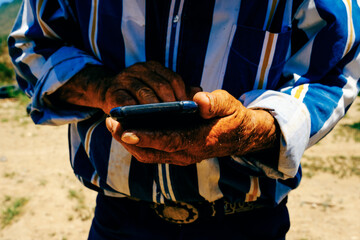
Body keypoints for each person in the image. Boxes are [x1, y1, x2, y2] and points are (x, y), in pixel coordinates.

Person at [8, 0, 360, 239]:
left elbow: (336, 66)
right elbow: (33, 46)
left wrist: (250, 129)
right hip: (118, 220)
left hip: (248, 223)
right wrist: (103, 89)